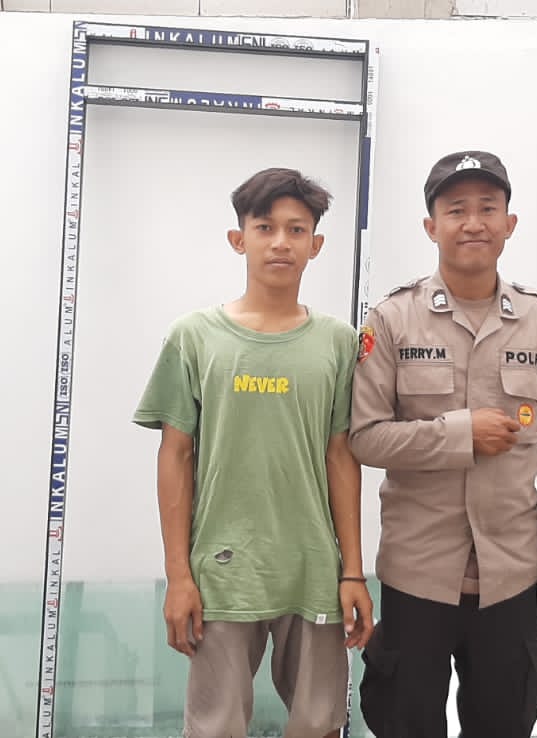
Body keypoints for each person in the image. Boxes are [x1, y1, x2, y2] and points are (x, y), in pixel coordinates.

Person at [349, 150, 537, 737]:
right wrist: (461, 434)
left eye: (488, 208)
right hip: (417, 574)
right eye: (456, 210)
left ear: (510, 223)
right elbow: (365, 438)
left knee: (505, 721)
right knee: (406, 722)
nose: (473, 223)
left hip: (510, 574)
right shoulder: (391, 320)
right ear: (431, 226)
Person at [131, 167, 375, 738]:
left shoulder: (339, 342)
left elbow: (342, 456)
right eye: (265, 227)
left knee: (319, 723)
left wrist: (353, 571)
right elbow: (175, 456)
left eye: (296, 229)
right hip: (222, 572)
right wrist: (178, 576)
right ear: (238, 238)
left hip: (313, 570)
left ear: (316, 244)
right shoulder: (194, 337)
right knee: (214, 727)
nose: (281, 242)